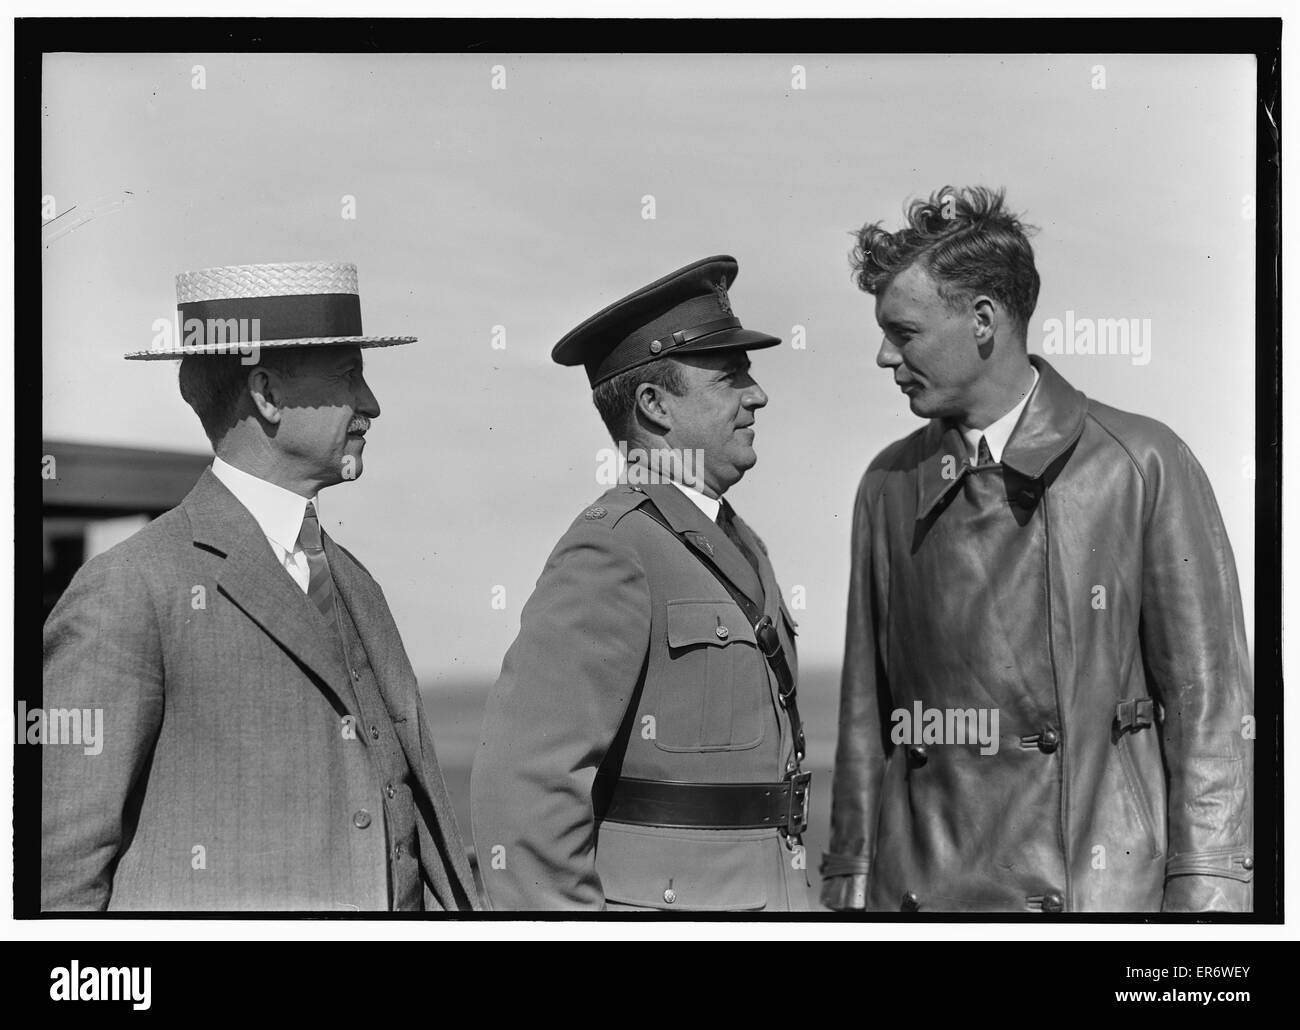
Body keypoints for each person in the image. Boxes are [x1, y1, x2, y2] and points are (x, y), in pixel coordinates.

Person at [820, 187, 1254, 913]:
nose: (883, 355)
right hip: (922, 898)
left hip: (1097, 897)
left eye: (904, 331)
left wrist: (1211, 889)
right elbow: (868, 716)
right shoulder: (888, 484)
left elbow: (1209, 702)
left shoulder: (1139, 461)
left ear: (983, 320)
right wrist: (850, 886)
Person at [42, 261, 480, 911]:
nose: (371, 404)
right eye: (348, 376)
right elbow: (59, 879)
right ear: (268, 394)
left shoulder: (357, 584)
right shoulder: (130, 589)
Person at [471, 255, 811, 911]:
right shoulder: (614, 548)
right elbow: (524, 788)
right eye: (730, 377)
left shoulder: (739, 542)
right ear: (654, 406)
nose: (757, 395)